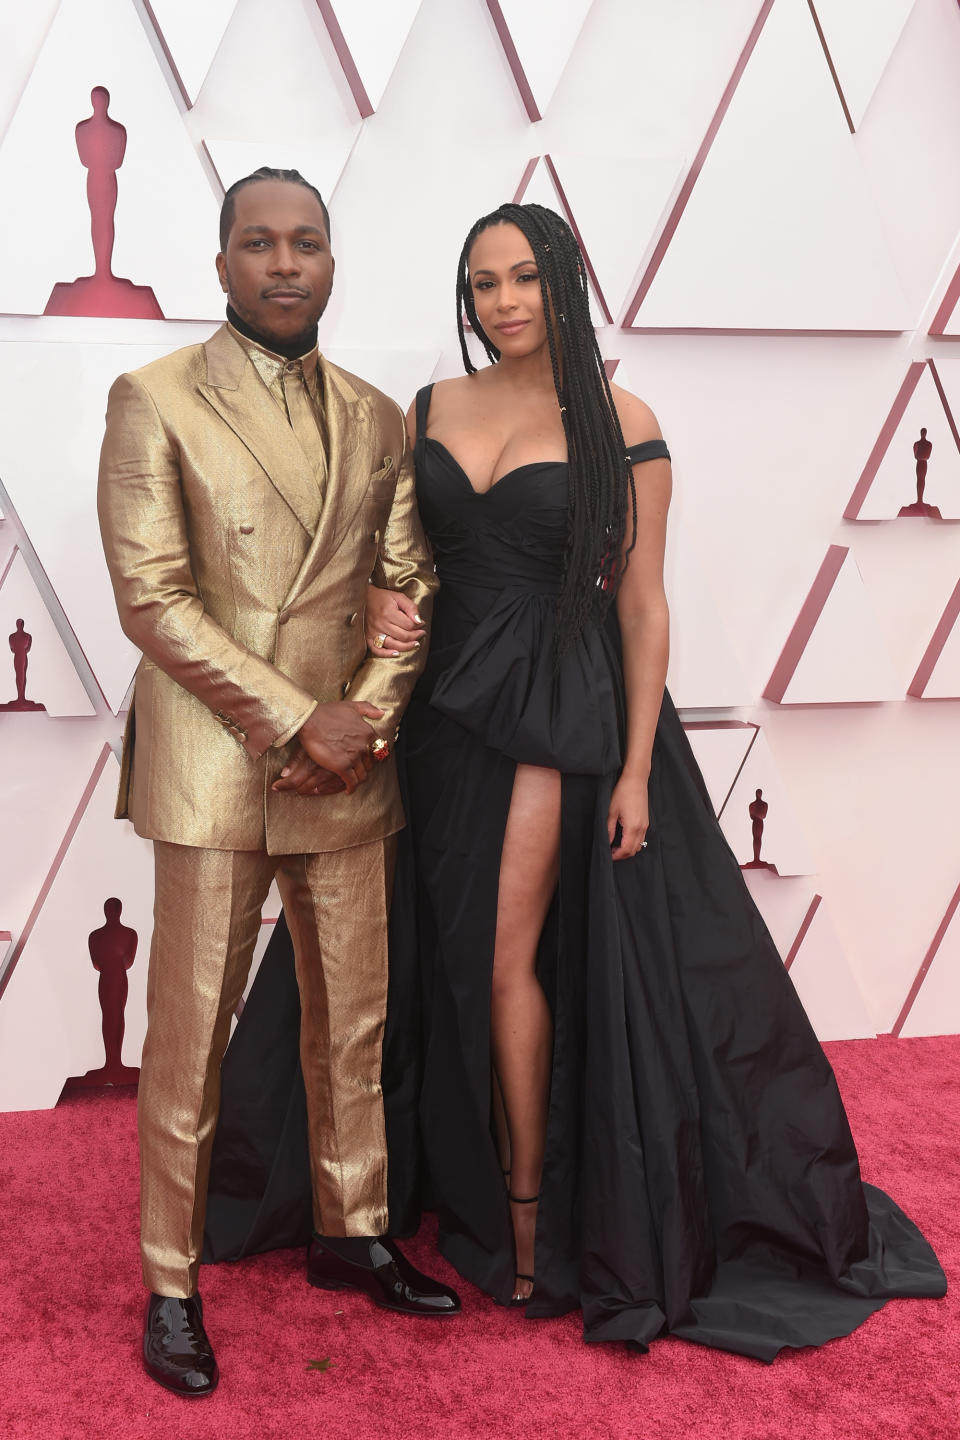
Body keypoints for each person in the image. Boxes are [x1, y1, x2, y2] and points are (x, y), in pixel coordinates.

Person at [207, 202, 946, 1358]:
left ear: (564, 282)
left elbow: (644, 605)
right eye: (481, 284)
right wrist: (372, 601)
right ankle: (418, 1182)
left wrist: (639, 767)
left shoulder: (621, 420)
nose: (501, 303)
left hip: (556, 707)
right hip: (439, 705)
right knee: (426, 951)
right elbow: (394, 555)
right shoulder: (433, 408)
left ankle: (529, 1219)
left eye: (521, 279)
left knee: (507, 957)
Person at [97, 167, 458, 1400]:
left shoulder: (375, 416)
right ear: (221, 265)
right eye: (261, 244)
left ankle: (352, 1230)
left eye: (308, 242)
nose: (287, 263)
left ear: (332, 262)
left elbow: (409, 585)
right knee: (188, 1037)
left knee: (351, 1021)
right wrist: (307, 719)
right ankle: (170, 1278)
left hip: (350, 762)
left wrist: (366, 721)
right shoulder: (153, 399)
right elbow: (155, 601)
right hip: (218, 762)